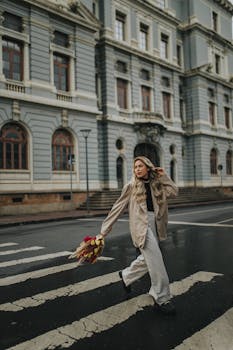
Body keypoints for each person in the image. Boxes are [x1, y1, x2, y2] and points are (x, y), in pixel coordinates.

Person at [100, 156, 178, 315]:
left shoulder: (157, 183)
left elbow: (174, 192)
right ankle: (161, 298)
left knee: (147, 258)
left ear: (148, 167)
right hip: (141, 226)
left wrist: (164, 176)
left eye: (140, 166)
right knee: (156, 260)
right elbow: (117, 207)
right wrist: (103, 231)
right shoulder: (131, 186)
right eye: (135, 167)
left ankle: (126, 276)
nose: (137, 169)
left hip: (155, 223)